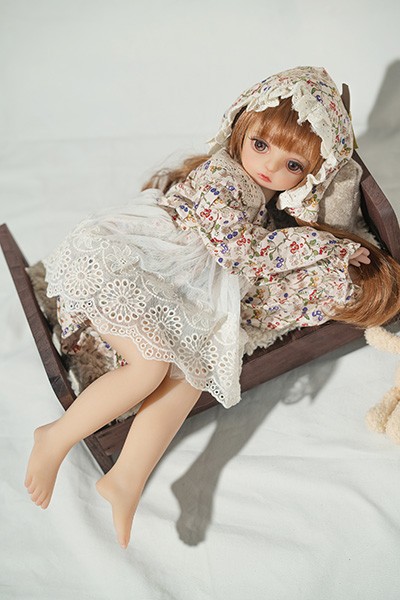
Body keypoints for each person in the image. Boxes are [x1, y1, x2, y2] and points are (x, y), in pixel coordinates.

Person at [24, 66, 400, 549]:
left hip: (186, 283)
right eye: (261, 145)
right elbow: (241, 252)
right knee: (149, 368)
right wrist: (323, 247)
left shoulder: (264, 194)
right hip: (141, 262)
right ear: (241, 126)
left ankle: (127, 477)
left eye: (293, 165)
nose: (270, 167)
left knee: (192, 372)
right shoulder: (222, 177)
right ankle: (55, 437)